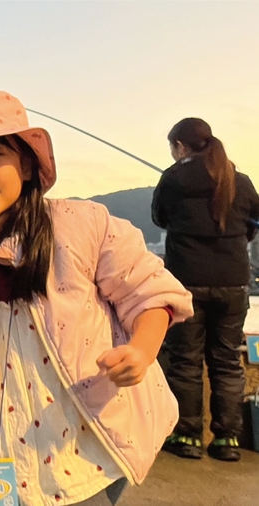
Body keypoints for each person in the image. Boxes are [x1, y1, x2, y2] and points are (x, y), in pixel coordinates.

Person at [0, 89, 193, 505]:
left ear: (26, 163)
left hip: (89, 444)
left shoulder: (81, 224)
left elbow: (148, 291)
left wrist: (142, 349)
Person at [152, 118, 259, 462]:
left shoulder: (173, 178)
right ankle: (227, 439)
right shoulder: (239, 181)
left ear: (180, 147)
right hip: (233, 282)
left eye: (173, 148)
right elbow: (254, 223)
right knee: (227, 360)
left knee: (186, 360)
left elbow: (159, 218)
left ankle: (187, 436)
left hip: (186, 281)